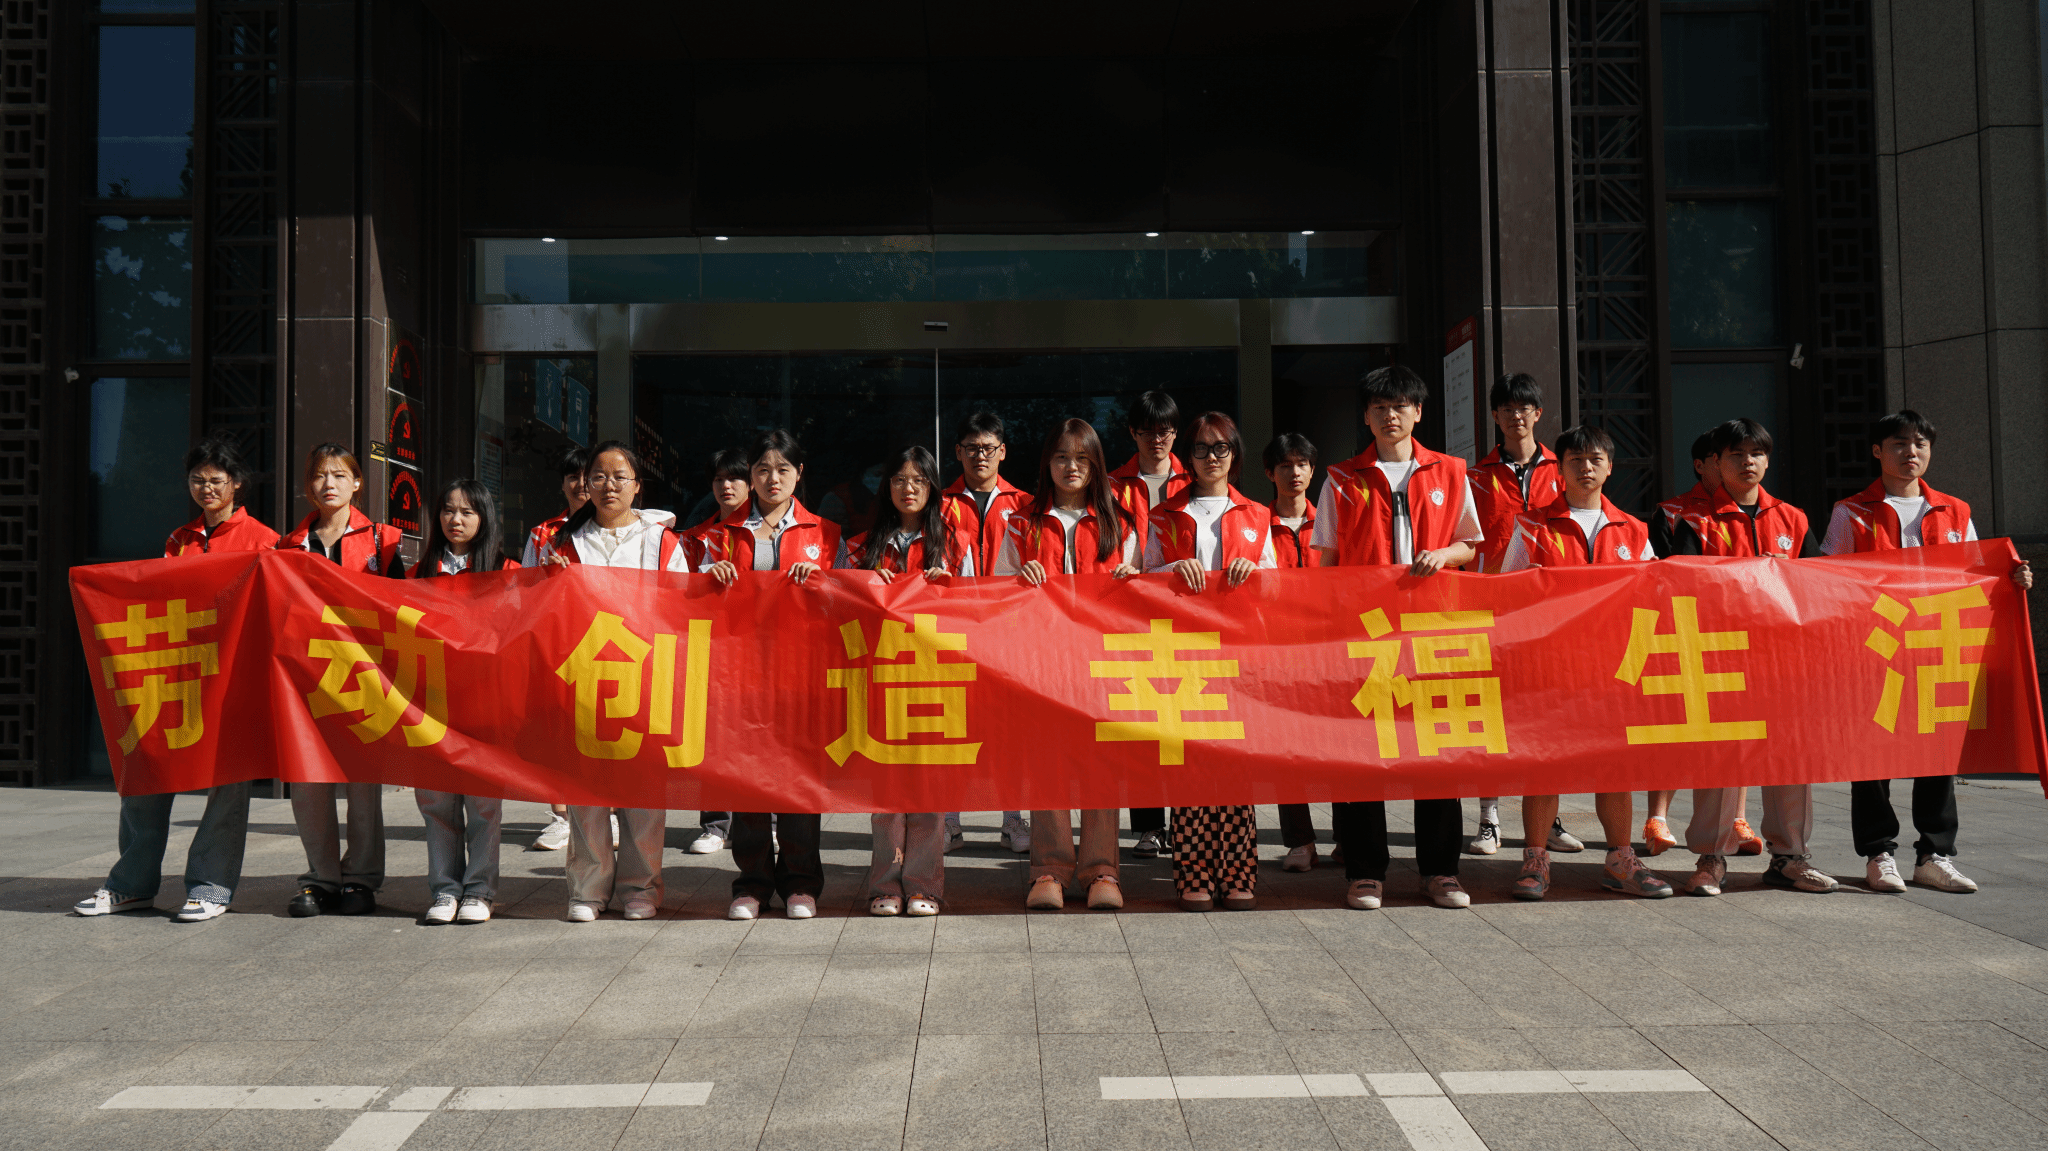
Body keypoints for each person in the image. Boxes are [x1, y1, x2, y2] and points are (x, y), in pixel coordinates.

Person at [1823, 410, 2032, 894]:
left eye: (1920, 444)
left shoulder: (1954, 510)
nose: (1910, 452)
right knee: (1872, 751)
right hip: (1876, 643)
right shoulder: (1851, 511)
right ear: (1878, 451)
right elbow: (1829, 576)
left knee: (1938, 749)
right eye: (1899, 443)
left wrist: (2012, 577)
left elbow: (1977, 573)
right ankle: (1878, 853)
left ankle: (1934, 855)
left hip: (1939, 642)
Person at [73, 434, 277, 923]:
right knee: (147, 768)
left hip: (233, 679)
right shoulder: (179, 540)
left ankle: (211, 885)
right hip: (175, 675)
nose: (207, 488)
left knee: (227, 785)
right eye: (197, 480)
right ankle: (130, 885)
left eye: (216, 480)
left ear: (237, 484)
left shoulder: (265, 541)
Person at [1313, 366, 1482, 910]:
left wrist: (1444, 555)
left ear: (1418, 412)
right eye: (1379, 407)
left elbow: (1470, 544)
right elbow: (1326, 560)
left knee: (1436, 751)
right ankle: (1365, 872)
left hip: (1433, 630)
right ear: (1366, 417)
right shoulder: (1342, 478)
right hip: (1365, 634)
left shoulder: (1450, 471)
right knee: (1364, 752)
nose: (1390, 415)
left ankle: (1441, 871)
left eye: (1400, 405)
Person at [1495, 425, 1673, 900]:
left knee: (1615, 767)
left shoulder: (1634, 530)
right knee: (1545, 767)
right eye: (1576, 460)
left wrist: (1635, 665)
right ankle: (1536, 859)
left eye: (1596, 459)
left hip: (1613, 670)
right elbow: (1505, 595)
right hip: (1550, 670)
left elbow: (1651, 600)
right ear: (1560, 468)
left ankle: (1620, 859)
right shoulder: (1532, 526)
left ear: (1610, 467)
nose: (1586, 468)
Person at [1664, 418, 1829, 897]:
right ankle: (1711, 857)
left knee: (1789, 756)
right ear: (1716, 463)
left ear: (1768, 460)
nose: (1747, 462)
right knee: (1723, 758)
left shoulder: (1793, 519)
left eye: (1756, 453)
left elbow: (1821, 585)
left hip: (1785, 660)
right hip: (1722, 657)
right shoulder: (1695, 521)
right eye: (1736, 455)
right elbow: (1682, 585)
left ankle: (1790, 856)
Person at [996, 418, 1143, 911]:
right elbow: (997, 594)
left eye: (1081, 458)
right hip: (1043, 664)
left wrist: (1131, 579)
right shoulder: (1022, 523)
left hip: (1103, 663)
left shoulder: (1120, 525)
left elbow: (1140, 599)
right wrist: (1018, 579)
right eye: (1061, 457)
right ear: (1047, 465)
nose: (1071, 467)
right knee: (1048, 765)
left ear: (1096, 465)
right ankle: (1050, 870)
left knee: (1103, 766)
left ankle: (1102, 869)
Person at [542, 440, 690, 922]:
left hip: (643, 675)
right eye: (599, 477)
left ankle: (640, 887)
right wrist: (547, 580)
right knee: (585, 789)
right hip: (581, 675)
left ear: (637, 485)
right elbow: (534, 609)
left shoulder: (662, 543)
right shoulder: (562, 542)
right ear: (586, 484)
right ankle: (588, 889)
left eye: (619, 477)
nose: (609, 486)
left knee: (642, 789)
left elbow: (680, 609)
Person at [703, 429, 842, 921]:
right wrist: (710, 579)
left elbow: (848, 599)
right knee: (748, 780)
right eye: (762, 469)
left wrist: (823, 584)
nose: (772, 478)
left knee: (799, 779)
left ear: (799, 474)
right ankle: (753, 883)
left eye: (783, 469)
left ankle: (801, 882)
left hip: (803, 673)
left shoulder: (826, 534)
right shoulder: (721, 533)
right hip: (740, 673)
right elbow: (688, 597)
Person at [1146, 412, 1277, 911]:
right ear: (1189, 456)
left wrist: (1255, 572)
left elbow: (1278, 588)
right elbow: (1143, 577)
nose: (1211, 457)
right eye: (1201, 448)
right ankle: (1193, 875)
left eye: (1221, 447)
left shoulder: (1257, 514)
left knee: (1236, 765)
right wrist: (1170, 569)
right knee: (1191, 765)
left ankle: (1238, 873)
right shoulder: (1164, 515)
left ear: (1234, 454)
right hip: (1184, 653)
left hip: (1238, 653)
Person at [276, 443, 406, 918]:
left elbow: (403, 606)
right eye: (319, 475)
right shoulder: (287, 546)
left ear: (357, 483)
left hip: (363, 676)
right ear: (308, 486)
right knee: (308, 780)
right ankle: (320, 878)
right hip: (305, 676)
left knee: (362, 784)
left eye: (338, 475)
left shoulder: (383, 541)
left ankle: (361, 879)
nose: (328, 484)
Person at [842, 444, 970, 917]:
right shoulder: (860, 546)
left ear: (933, 488)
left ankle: (924, 885)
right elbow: (838, 609)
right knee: (886, 793)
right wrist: (863, 586)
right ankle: (884, 885)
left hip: (935, 681)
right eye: (899, 479)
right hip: (881, 680)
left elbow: (977, 610)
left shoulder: (955, 544)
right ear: (887, 487)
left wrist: (948, 587)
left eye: (918, 480)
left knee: (929, 790)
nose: (908, 488)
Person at [1462, 373, 1580, 859]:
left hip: (1551, 610)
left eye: (1524, 407)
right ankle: (1489, 818)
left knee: (1545, 714)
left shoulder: (1563, 467)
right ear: (1495, 416)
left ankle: (1548, 820)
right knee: (1491, 713)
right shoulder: (1475, 476)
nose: (1516, 416)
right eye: (1507, 408)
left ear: (1538, 413)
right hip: (1491, 607)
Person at [1644, 431, 1756, 858]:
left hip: (1737, 639)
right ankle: (1658, 817)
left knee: (1737, 728)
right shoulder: (1673, 513)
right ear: (1703, 464)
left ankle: (1737, 816)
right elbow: (1662, 574)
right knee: (1676, 728)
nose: (1738, 464)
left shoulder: (1756, 512)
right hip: (1684, 634)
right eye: (1724, 457)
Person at [407, 479, 515, 925]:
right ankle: (444, 890)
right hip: (431, 702)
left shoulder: (507, 571)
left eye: (468, 512)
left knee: (483, 805)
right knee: (436, 804)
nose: (456, 519)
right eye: (448, 510)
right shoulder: (418, 572)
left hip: (484, 703)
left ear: (484, 518)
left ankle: (480, 890)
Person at [939, 412, 1033, 854]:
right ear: (958, 452)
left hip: (1009, 632)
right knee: (954, 726)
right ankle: (950, 820)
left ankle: (1012, 819)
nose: (981, 456)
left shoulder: (1026, 504)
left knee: (1010, 730)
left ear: (1003, 452)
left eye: (989, 448)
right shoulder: (940, 504)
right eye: (972, 448)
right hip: (953, 630)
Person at [1111, 390, 1188, 860]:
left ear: (1175, 432)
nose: (1156, 439)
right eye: (1146, 430)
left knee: (1183, 716)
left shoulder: (1193, 477)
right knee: (1142, 719)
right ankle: (1147, 826)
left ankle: (1185, 821)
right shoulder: (1112, 483)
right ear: (1133, 433)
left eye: (1164, 430)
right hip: (1130, 610)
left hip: (1181, 610)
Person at [681, 447, 751, 856]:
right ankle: (715, 825)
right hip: (708, 649)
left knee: (757, 737)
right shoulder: (695, 538)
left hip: (758, 649)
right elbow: (674, 587)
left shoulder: (765, 535)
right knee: (711, 737)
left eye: (735, 478)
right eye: (719, 479)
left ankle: (762, 821)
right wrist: (705, 578)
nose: (727, 486)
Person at [1265, 433, 1328, 872]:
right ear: (1270, 473)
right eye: (1285, 465)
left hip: (1330, 648)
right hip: (1278, 651)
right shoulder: (1255, 525)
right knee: (1286, 749)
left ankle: (1349, 838)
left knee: (1342, 743)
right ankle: (1300, 842)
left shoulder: (1331, 522)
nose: (1295, 473)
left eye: (1302, 464)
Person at [524, 445, 590, 852]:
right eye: (572, 477)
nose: (581, 484)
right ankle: (561, 817)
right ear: (562, 484)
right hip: (557, 640)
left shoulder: (613, 528)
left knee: (600, 728)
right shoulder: (543, 533)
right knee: (556, 730)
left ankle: (605, 812)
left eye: (588, 475)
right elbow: (523, 587)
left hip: (606, 641)